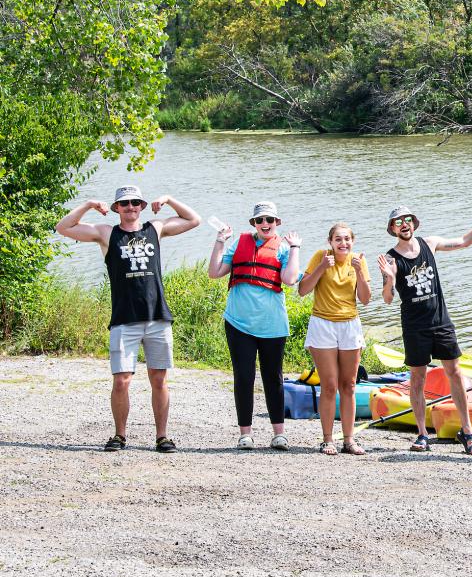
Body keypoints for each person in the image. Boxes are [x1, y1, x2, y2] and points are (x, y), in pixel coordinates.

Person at [55, 186, 200, 452]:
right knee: (122, 380)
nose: (130, 207)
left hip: (157, 316)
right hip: (124, 319)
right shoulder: (107, 233)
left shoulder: (154, 228)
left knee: (159, 378)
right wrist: (88, 204)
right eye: (124, 203)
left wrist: (168, 199)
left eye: (135, 202)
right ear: (116, 208)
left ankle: (162, 437)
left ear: (142, 205)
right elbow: (63, 227)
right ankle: (119, 435)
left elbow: (193, 220)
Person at [376, 199, 472, 455]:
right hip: (414, 327)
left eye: (407, 220)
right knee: (417, 378)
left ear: (413, 223)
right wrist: (389, 279)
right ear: (392, 228)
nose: (404, 225)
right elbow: (388, 298)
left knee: (455, 372)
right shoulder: (391, 259)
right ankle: (423, 434)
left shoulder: (430, 243)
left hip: (441, 322)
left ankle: (467, 432)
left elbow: (464, 241)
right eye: (398, 222)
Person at [207, 202, 302, 450]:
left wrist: (295, 248)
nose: (265, 224)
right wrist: (219, 241)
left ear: (277, 222)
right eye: (260, 220)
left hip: (272, 325)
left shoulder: (282, 248)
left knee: (274, 378)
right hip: (238, 323)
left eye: (269, 219)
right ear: (254, 224)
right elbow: (214, 272)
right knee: (244, 377)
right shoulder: (239, 244)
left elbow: (290, 279)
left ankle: (279, 434)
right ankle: (245, 434)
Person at [299, 223, 372, 455]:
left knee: (349, 385)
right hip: (323, 324)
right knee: (329, 385)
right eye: (338, 239)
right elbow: (303, 290)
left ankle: (349, 440)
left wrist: (360, 272)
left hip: (350, 324)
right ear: (330, 242)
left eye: (347, 239)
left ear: (353, 241)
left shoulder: (358, 260)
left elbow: (365, 299)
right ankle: (328, 439)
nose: (343, 244)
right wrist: (321, 267)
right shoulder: (321, 257)